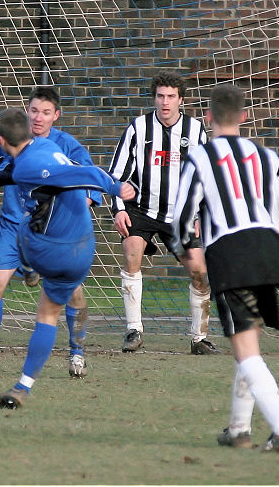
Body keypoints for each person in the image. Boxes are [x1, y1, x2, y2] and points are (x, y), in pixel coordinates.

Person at [171, 83, 279, 452]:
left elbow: (181, 215)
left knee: (245, 349)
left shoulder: (199, 157)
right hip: (268, 249)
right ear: (244, 117)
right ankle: (239, 430)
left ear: (208, 117)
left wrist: (186, 250)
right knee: (248, 339)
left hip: (232, 250)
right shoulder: (268, 157)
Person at [0, 107, 136, 408]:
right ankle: (22, 387)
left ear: (1, 139)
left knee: (20, 223)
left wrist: (114, 186)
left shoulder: (30, 166)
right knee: (48, 314)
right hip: (83, 249)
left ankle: (27, 267)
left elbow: (81, 173)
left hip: (51, 249)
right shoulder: (46, 146)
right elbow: (5, 174)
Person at [0, 86, 101, 379]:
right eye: (33, 111)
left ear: (56, 115)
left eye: (45, 112)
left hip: (52, 233)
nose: (38, 117)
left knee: (73, 290)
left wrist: (82, 202)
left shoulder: (66, 146)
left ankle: (77, 352)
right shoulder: (9, 142)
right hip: (11, 227)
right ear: (26, 112)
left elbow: (92, 182)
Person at [108, 70, 218, 354]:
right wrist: (119, 210)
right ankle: (134, 330)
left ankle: (199, 338)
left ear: (181, 100)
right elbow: (116, 176)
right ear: (154, 98)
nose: (165, 102)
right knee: (132, 252)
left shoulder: (195, 131)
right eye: (160, 96)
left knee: (200, 273)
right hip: (142, 210)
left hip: (180, 215)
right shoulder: (138, 128)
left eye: (171, 97)